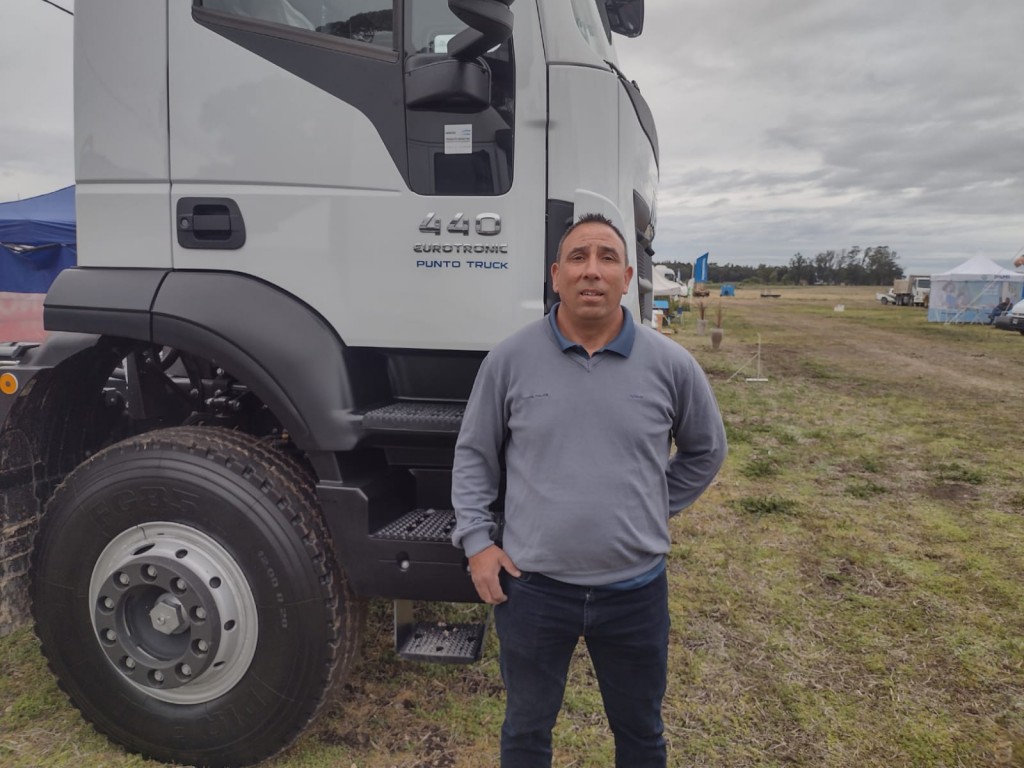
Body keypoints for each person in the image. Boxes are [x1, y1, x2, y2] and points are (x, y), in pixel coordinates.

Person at [451, 213, 728, 768]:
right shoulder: (509, 360)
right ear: (556, 275)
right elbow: (474, 455)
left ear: (628, 277)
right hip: (533, 593)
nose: (591, 271)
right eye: (578, 258)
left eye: (606, 258)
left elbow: (706, 450)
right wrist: (478, 543)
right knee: (526, 730)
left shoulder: (671, 364)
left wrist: (653, 504)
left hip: (635, 593)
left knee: (641, 734)